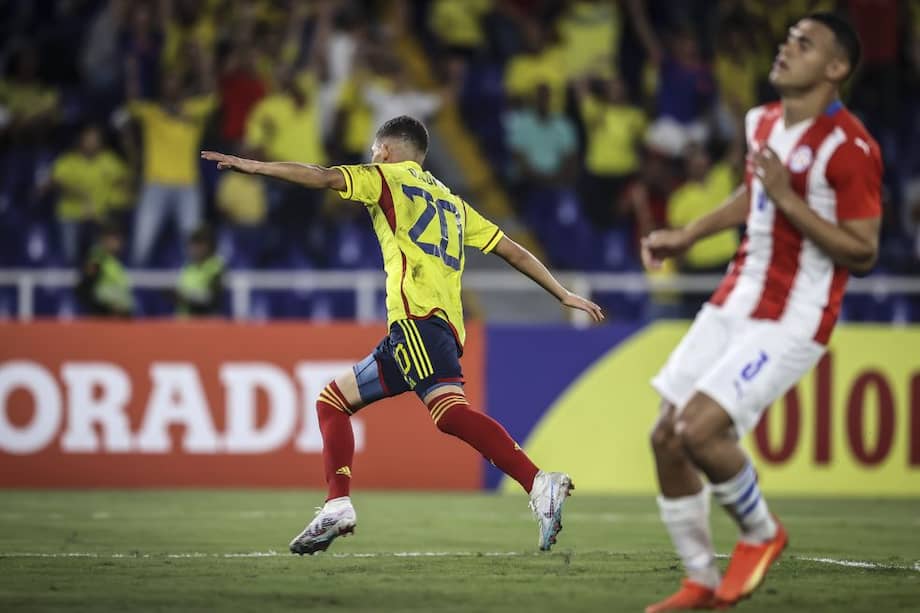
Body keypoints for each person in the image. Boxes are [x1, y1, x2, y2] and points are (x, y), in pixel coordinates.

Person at [202, 115, 604, 555]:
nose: (372, 157)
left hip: (416, 318)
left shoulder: (385, 178)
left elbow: (322, 176)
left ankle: (538, 482)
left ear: (386, 150)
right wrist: (561, 292)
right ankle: (337, 505)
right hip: (439, 325)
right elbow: (512, 249)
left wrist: (256, 167)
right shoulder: (452, 202)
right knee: (332, 401)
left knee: (448, 413)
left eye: (374, 151)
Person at [640, 14, 882, 612]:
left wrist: (787, 199)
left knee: (698, 431)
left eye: (805, 44)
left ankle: (761, 532)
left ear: (836, 68)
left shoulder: (851, 147)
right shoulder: (762, 121)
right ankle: (700, 579)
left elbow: (863, 251)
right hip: (735, 297)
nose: (785, 48)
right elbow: (755, 193)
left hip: (793, 316)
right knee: (665, 436)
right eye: (788, 38)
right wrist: (688, 234)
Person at [76, 220, 134, 317]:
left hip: (119, 315)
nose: (114, 242)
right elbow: (84, 289)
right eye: (110, 239)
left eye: (116, 238)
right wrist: (107, 308)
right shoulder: (97, 258)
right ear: (102, 240)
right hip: (103, 316)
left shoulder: (117, 260)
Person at [174, 225, 224, 317]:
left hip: (204, 320)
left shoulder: (216, 267)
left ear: (209, 246)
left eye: (199, 245)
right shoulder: (188, 267)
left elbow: (212, 298)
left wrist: (185, 298)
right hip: (184, 320)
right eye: (193, 245)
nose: (195, 249)